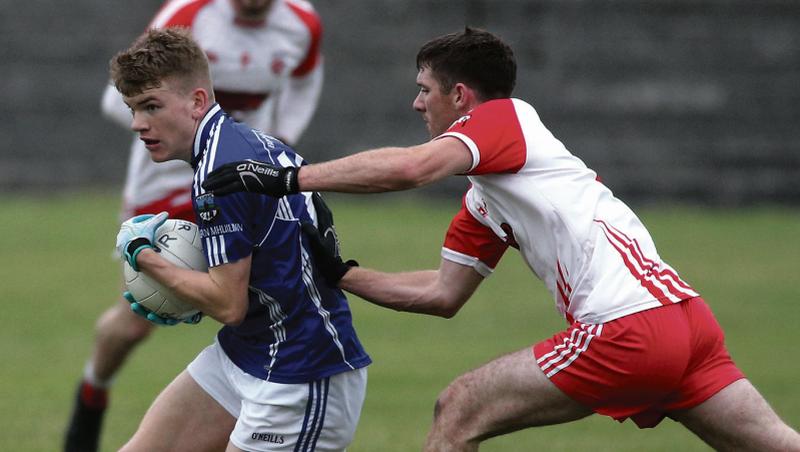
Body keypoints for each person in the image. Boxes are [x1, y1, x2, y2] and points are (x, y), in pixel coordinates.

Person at [202, 27, 800, 451]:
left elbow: (412, 169)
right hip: (685, 320)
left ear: (460, 96)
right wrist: (340, 273)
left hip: (630, 326)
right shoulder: (490, 197)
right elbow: (441, 293)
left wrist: (287, 178)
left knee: (457, 408)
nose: (416, 103)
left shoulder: (506, 118)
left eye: (424, 90)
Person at [65, 0, 324, 450]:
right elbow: (118, 99)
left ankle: (267, 409)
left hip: (238, 180)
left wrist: (269, 141)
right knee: (137, 321)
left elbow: (303, 83)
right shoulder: (190, 13)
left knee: (252, 294)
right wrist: (185, 132)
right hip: (163, 184)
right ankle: (92, 390)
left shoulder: (302, 25)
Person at [102, 27, 370, 452]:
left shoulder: (219, 171)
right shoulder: (232, 144)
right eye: (133, 108)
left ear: (196, 101)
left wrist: (146, 258)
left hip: (299, 374)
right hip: (246, 351)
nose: (138, 123)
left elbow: (227, 304)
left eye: (151, 106)